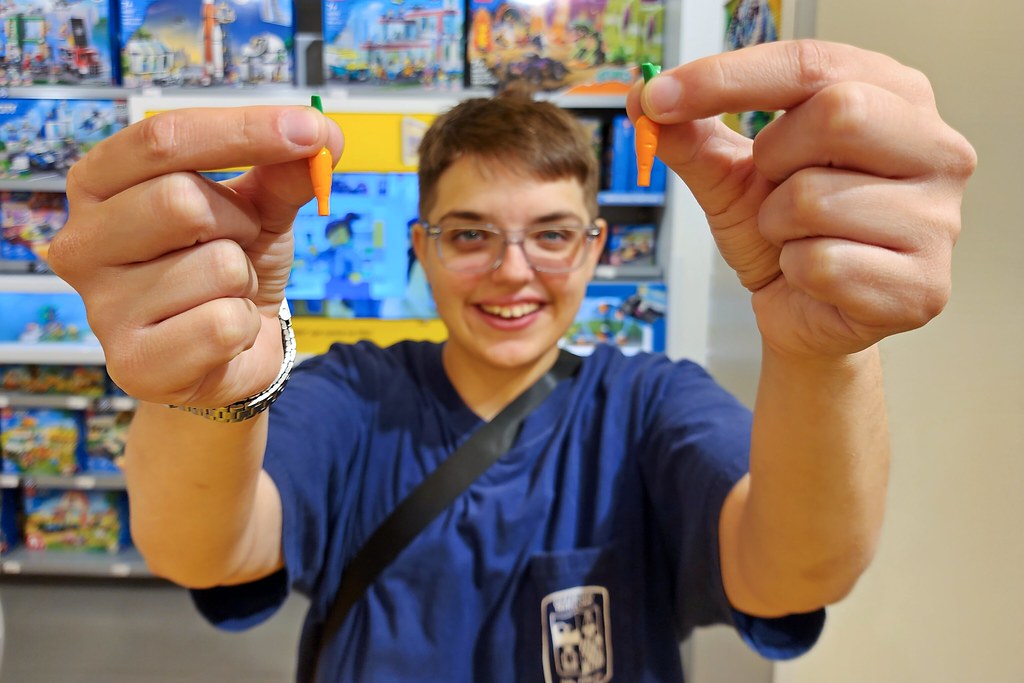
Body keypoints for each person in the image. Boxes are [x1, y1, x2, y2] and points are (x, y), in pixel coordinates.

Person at [47, 39, 976, 682]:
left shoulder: (649, 403)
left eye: (552, 235)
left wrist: (824, 353)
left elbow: (795, 567)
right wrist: (204, 387)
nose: (512, 270)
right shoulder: (354, 395)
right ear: (420, 245)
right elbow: (204, 546)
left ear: (596, 248)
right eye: (470, 234)